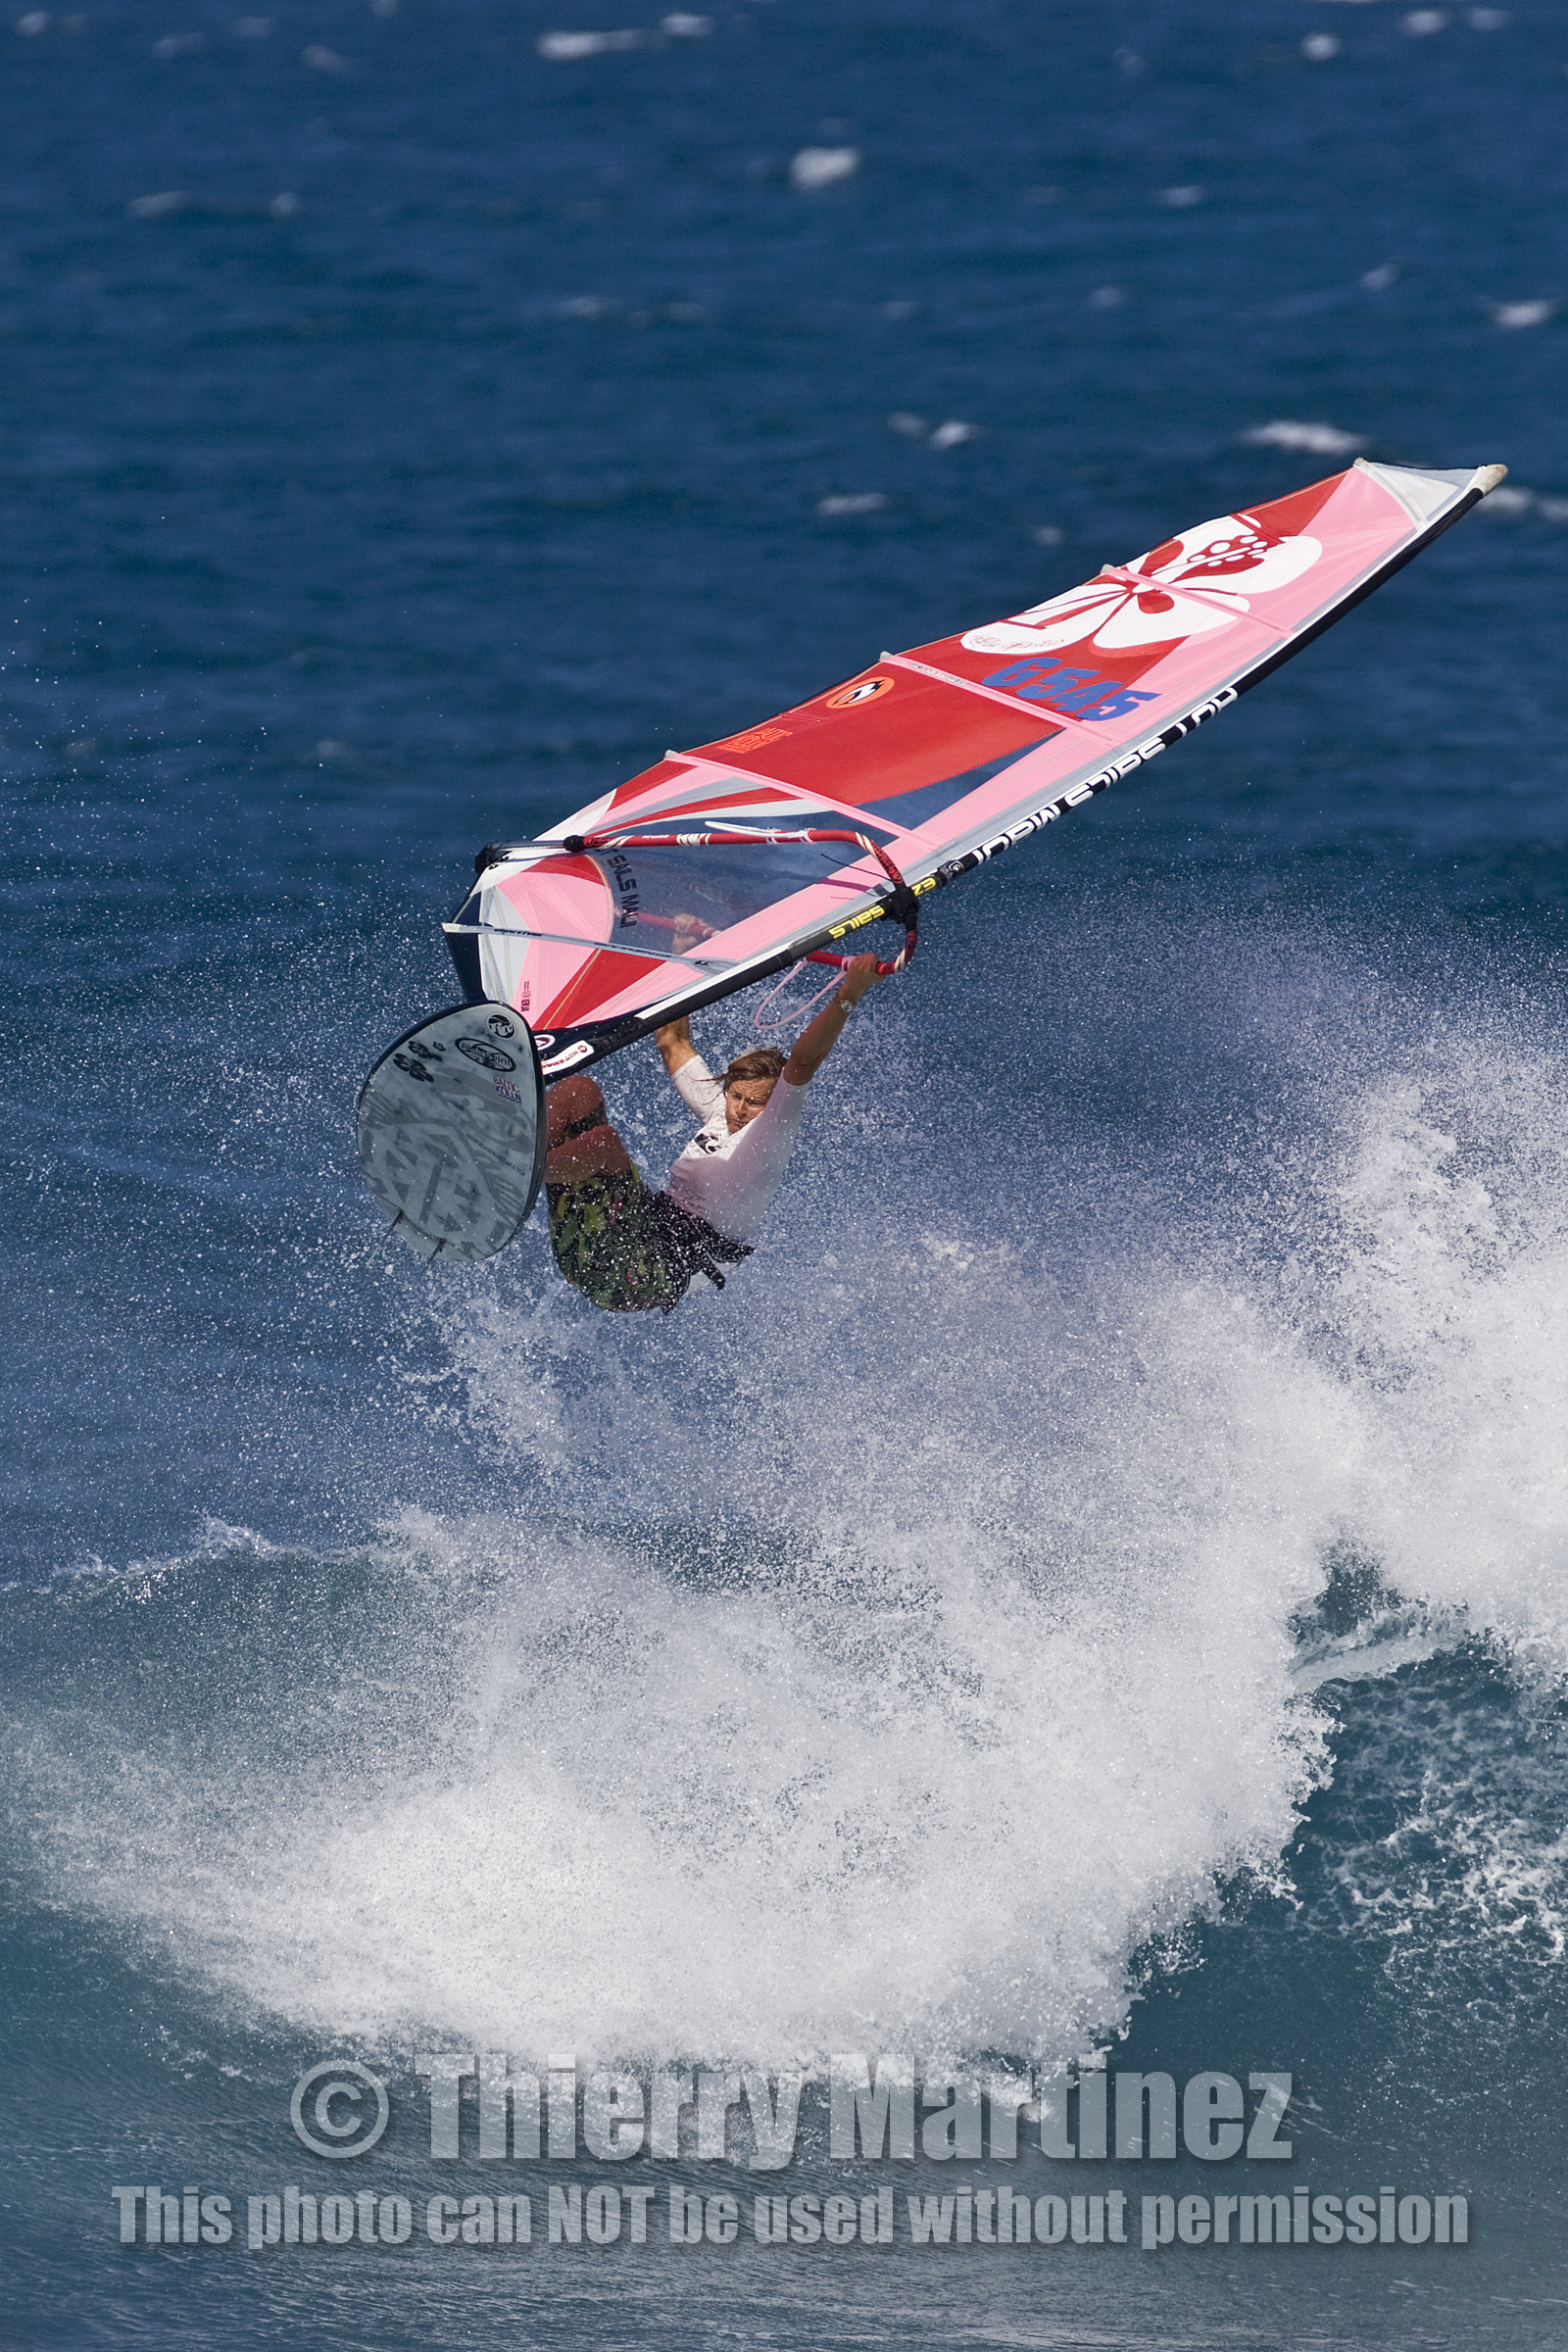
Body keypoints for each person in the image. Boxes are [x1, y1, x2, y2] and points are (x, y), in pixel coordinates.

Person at [541, 953, 885, 1313]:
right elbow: (672, 1039)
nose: (739, 1109)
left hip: (635, 1277)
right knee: (579, 1090)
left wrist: (850, 992)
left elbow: (803, 1061)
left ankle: (526, 1171)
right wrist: (683, 952)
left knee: (604, 1144)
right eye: (735, 1096)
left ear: (773, 1108)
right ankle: (515, 1149)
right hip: (606, 1238)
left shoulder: (767, 1141)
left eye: (754, 1103)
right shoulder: (722, 1115)